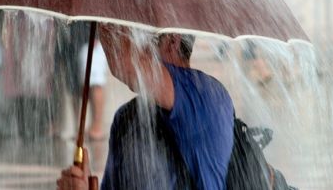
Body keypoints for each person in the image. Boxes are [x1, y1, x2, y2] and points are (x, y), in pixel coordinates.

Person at [57, 24, 234, 189]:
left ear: (173, 40)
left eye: (141, 37)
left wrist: (100, 8)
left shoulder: (207, 94)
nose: (135, 45)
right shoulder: (127, 116)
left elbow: (125, 63)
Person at [78, 38, 109, 140]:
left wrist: (96, 35)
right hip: (78, 38)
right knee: (87, 84)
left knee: (95, 82)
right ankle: (93, 127)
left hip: (91, 38)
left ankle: (97, 128)